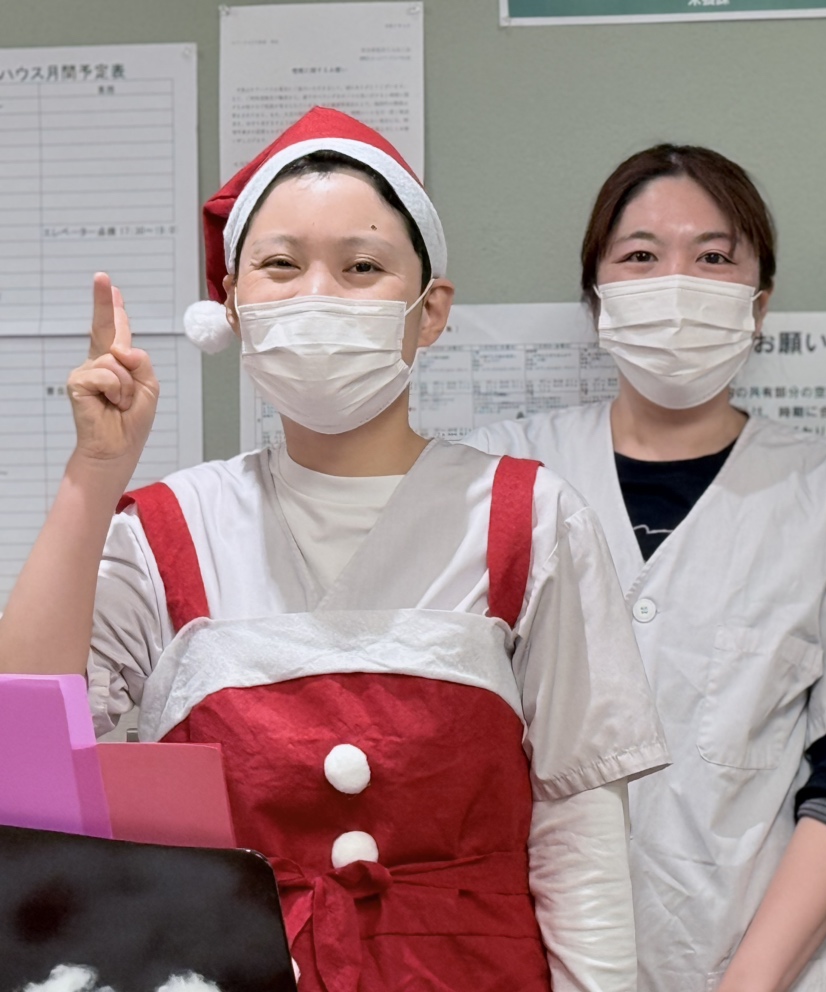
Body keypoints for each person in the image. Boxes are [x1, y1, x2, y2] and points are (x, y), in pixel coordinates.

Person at [0, 107, 670, 992]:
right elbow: (21, 749)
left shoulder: (529, 518)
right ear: (231, 305)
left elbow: (579, 832)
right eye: (281, 266)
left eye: (361, 268)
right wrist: (94, 475)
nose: (317, 295)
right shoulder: (167, 530)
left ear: (430, 312)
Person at [465, 144, 826, 992]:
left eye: (713, 258)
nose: (676, 283)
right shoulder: (500, 475)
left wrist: (748, 982)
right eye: (640, 255)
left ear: (759, 303)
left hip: (758, 963)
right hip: (526, 958)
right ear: (597, 298)